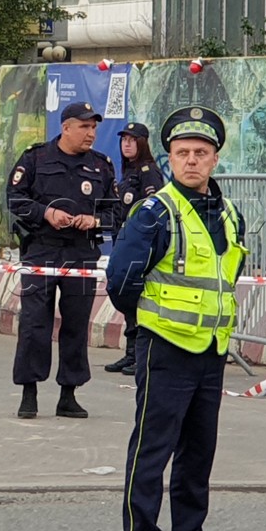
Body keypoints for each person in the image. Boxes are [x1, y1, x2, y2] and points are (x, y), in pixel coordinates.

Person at [107, 106, 245, 531]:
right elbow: (121, 279)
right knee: (153, 445)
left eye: (200, 153)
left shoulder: (228, 214)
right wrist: (147, 321)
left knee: (198, 449)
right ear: (169, 157)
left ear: (215, 159)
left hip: (211, 349)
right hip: (165, 346)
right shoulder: (155, 211)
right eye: (182, 152)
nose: (191, 160)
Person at [6, 101, 117, 419]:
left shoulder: (101, 166)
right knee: (34, 323)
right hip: (42, 249)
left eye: (94, 126)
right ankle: (30, 392)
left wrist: (94, 221)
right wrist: (46, 213)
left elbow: (116, 211)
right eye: (84, 126)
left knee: (76, 324)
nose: (91, 133)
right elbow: (14, 198)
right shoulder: (36, 158)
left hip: (81, 253)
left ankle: (69, 394)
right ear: (66, 127)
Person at [104, 121, 166, 377]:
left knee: (140, 302)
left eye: (132, 139)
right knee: (128, 301)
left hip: (140, 247)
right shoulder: (127, 172)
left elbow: (153, 209)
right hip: (123, 242)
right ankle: (131, 353)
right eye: (123, 139)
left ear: (142, 143)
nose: (126, 143)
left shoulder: (148, 171)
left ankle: (142, 356)